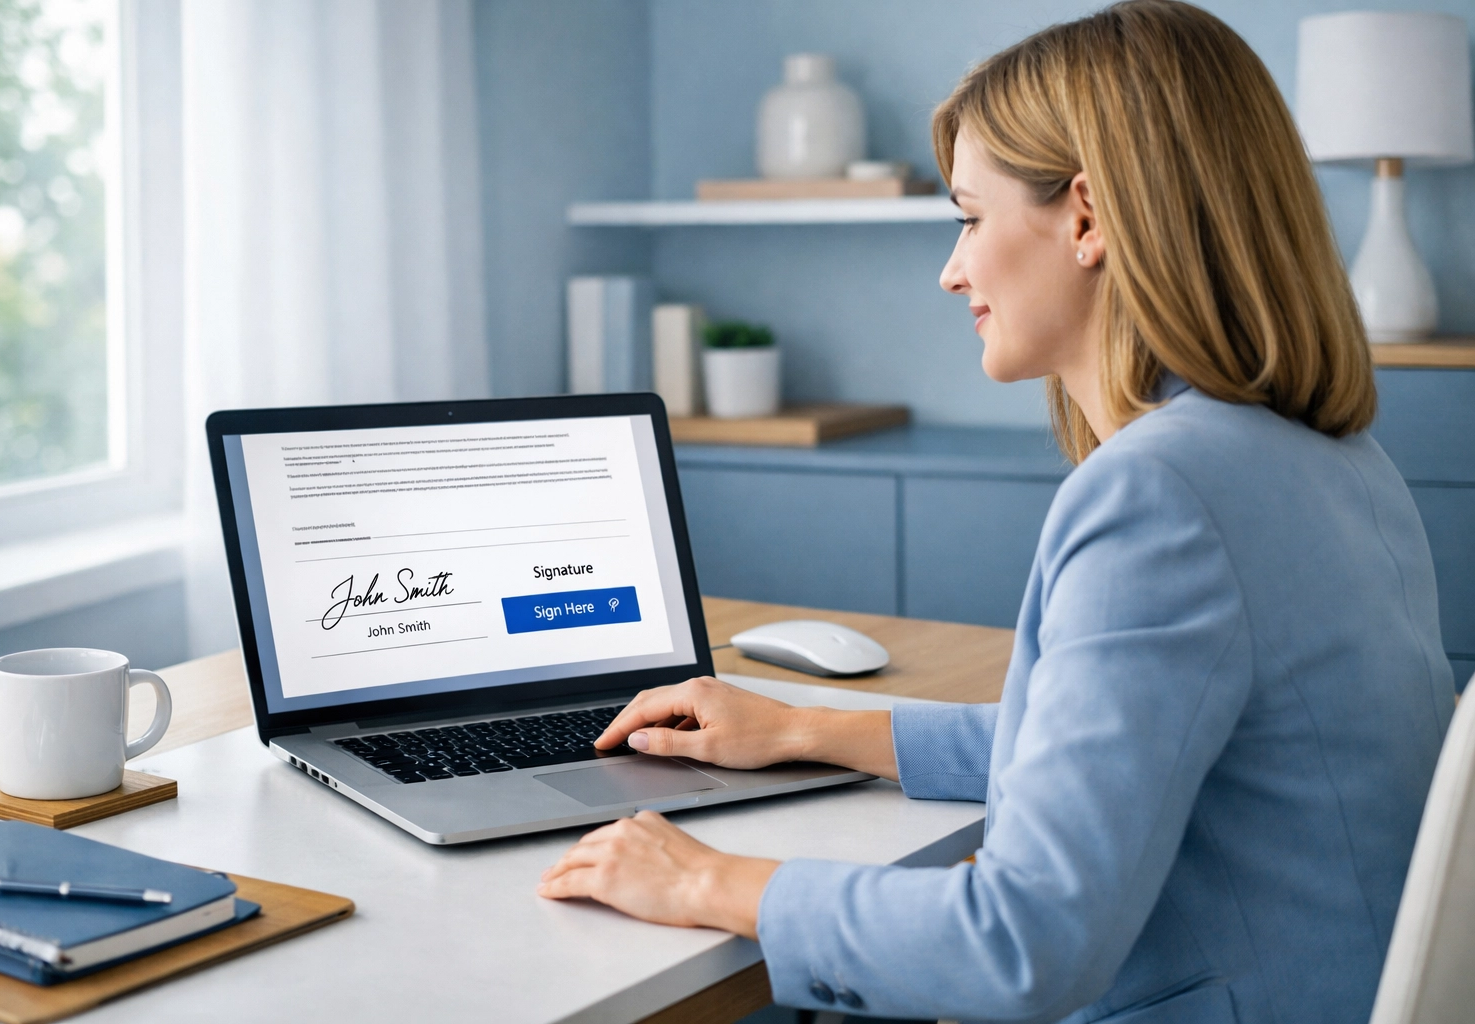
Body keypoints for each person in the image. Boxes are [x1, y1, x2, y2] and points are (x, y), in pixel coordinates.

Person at [536, 2, 1457, 1020]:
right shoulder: (1332, 456)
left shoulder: (1161, 493)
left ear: (1088, 217)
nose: (953, 268)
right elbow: (1111, 743)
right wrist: (804, 725)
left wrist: (706, 879)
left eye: (970, 217)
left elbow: (1021, 945)